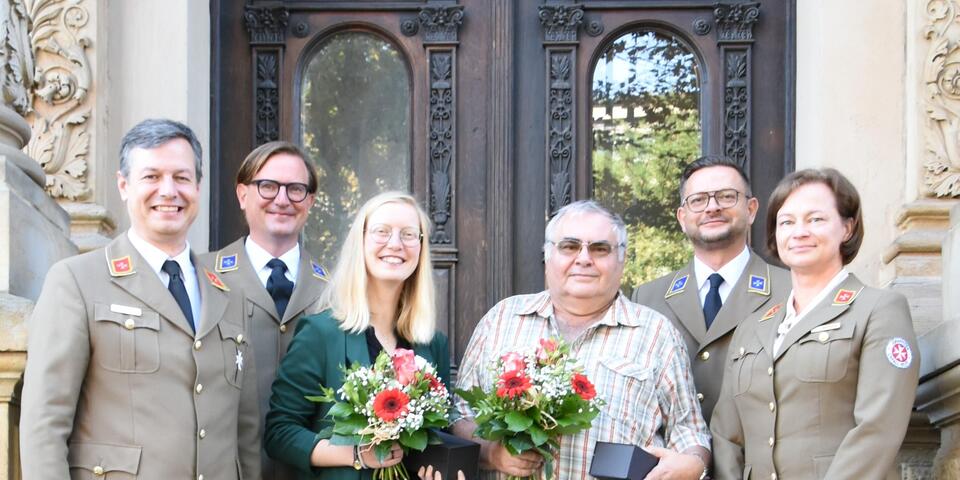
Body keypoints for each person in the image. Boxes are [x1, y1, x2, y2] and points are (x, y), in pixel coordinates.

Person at [19, 119, 260, 479]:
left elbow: (245, 433)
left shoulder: (230, 296)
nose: (168, 191)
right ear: (123, 186)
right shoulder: (77, 281)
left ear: (197, 186)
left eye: (181, 177)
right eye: (151, 177)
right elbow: (44, 424)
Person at [453, 200, 711, 480]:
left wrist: (693, 464)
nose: (584, 258)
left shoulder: (657, 334)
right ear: (548, 254)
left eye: (600, 249)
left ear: (621, 259)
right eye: (570, 246)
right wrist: (492, 452)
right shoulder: (501, 320)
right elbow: (461, 416)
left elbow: (689, 429)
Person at [710, 168, 920, 479]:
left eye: (816, 219)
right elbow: (726, 433)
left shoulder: (878, 310)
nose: (799, 232)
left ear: (847, 228)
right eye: (787, 222)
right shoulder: (752, 328)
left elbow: (878, 429)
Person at [265, 191, 450, 479]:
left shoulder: (432, 343)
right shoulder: (320, 333)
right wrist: (356, 455)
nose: (396, 244)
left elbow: (437, 436)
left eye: (410, 234)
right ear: (360, 242)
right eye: (382, 231)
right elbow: (280, 433)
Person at [203, 141, 328, 480]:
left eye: (296, 189)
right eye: (268, 186)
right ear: (243, 194)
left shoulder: (337, 291)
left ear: (311, 201)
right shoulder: (200, 277)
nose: (282, 199)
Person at [632, 156, 790, 422]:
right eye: (698, 200)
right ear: (682, 218)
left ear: (751, 209)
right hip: (673, 460)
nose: (712, 207)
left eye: (727, 196)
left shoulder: (790, 290)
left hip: (757, 460)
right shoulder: (648, 297)